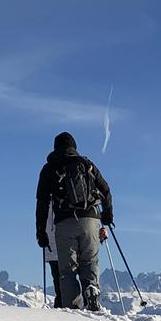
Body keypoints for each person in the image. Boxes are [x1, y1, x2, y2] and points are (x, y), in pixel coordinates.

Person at [36, 132, 113, 311]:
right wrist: (108, 215)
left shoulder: (49, 169)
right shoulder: (86, 164)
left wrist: (41, 231)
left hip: (64, 222)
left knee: (67, 271)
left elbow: (42, 203)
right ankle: (92, 290)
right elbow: (106, 189)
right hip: (90, 220)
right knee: (90, 262)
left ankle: (71, 309)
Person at [43, 202, 62, 308]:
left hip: (50, 242)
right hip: (67, 242)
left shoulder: (45, 197)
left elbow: (40, 216)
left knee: (57, 277)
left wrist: (41, 234)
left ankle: (61, 304)